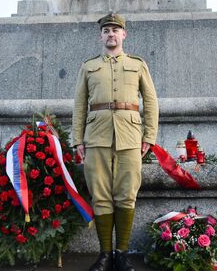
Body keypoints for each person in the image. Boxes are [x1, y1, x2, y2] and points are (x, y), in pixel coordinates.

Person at [72, 13, 159, 271]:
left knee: (126, 194)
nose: (111, 34)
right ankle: (105, 255)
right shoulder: (88, 67)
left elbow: (151, 101)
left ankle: (121, 253)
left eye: (115, 30)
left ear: (124, 34)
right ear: (101, 36)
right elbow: (79, 105)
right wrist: (78, 139)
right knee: (100, 195)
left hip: (130, 136)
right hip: (97, 136)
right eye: (106, 30)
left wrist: (149, 136)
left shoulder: (138, 64)